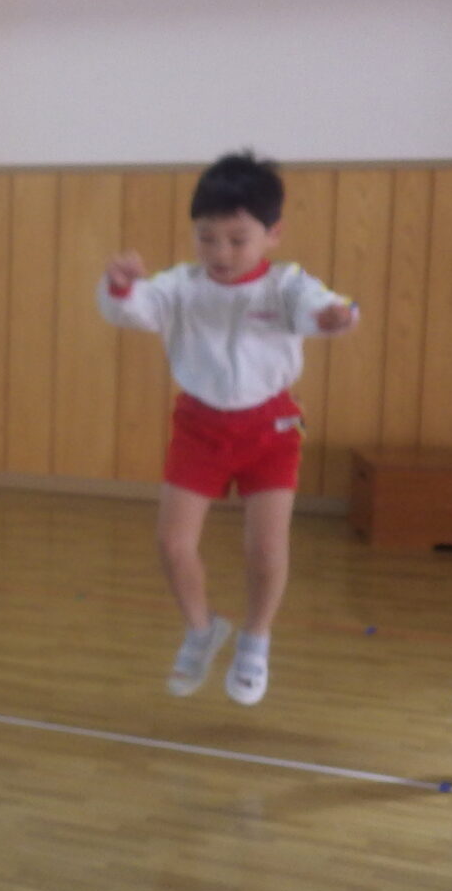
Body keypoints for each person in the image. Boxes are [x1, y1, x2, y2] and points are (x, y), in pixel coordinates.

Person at [98, 151, 356, 707]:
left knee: (265, 549)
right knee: (173, 544)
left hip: (271, 429)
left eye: (238, 240)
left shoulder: (287, 285)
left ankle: (255, 639)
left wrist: (336, 316)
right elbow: (133, 309)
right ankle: (201, 629)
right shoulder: (181, 286)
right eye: (207, 238)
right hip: (200, 427)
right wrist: (119, 288)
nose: (221, 253)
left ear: (273, 234)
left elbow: (323, 308)